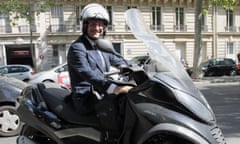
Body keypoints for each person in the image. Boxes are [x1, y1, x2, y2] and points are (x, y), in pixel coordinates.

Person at [67, 3, 133, 115]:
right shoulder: (78, 47)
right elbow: (86, 72)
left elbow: (118, 60)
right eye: (93, 24)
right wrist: (113, 88)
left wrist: (138, 68)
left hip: (100, 93)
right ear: (85, 26)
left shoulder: (102, 45)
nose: (97, 28)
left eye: (100, 25)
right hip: (86, 98)